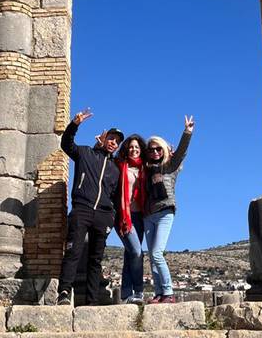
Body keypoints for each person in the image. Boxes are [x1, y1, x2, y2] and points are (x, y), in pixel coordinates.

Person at [56, 108, 124, 306]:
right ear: (103, 138)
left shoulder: (115, 169)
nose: (114, 143)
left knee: (95, 260)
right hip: (82, 210)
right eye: (111, 138)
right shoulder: (85, 153)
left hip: (103, 216)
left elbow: (115, 195)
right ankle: (64, 293)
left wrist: (111, 217)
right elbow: (66, 144)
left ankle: (92, 302)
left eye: (117, 142)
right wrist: (74, 124)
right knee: (73, 252)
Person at [144, 115, 195, 304]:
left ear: (163, 149)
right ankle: (159, 293)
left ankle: (168, 292)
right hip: (148, 215)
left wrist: (187, 132)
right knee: (151, 256)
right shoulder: (146, 169)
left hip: (166, 211)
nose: (155, 151)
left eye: (158, 148)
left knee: (157, 253)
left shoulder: (170, 166)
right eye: (151, 149)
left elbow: (181, 152)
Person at [113, 134, 148, 304]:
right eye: (131, 147)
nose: (134, 149)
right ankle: (139, 291)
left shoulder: (145, 168)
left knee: (130, 254)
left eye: (137, 147)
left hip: (140, 216)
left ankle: (126, 295)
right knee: (136, 252)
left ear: (141, 150)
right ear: (126, 149)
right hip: (123, 216)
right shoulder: (119, 165)